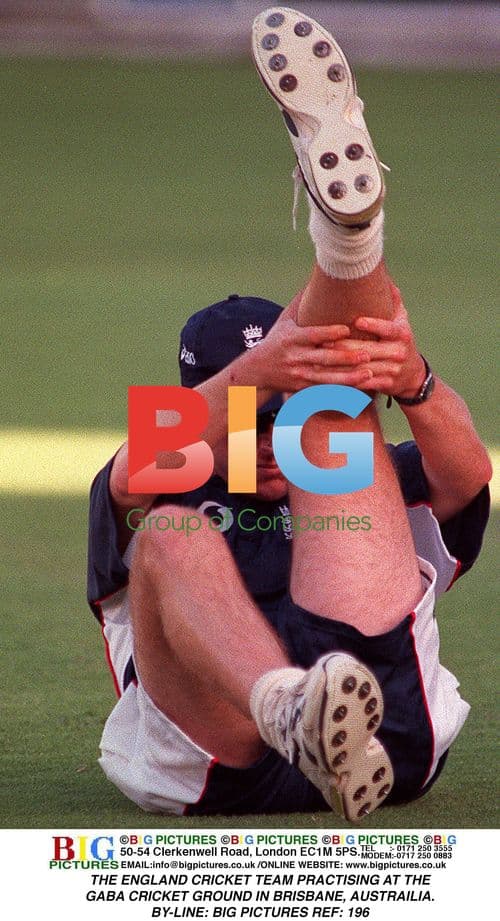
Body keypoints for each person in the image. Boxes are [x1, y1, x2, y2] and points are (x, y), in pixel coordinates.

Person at [87, 7, 491, 822]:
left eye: (273, 412)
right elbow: (138, 469)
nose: (268, 436)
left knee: (334, 408)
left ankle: (351, 234)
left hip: (385, 727)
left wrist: (412, 380)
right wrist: (253, 374)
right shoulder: (155, 481)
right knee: (167, 534)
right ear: (202, 407)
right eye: (246, 414)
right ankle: (286, 705)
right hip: (220, 747)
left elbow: (469, 476)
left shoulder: (343, 464)